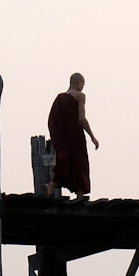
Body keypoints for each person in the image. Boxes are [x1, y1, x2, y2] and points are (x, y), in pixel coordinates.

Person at [46, 72, 99, 200]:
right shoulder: (80, 96)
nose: (83, 87)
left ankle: (52, 185)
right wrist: (92, 136)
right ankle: (80, 194)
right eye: (83, 84)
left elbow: (52, 119)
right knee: (80, 162)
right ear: (78, 83)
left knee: (66, 159)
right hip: (75, 135)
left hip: (64, 136)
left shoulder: (60, 98)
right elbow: (81, 119)